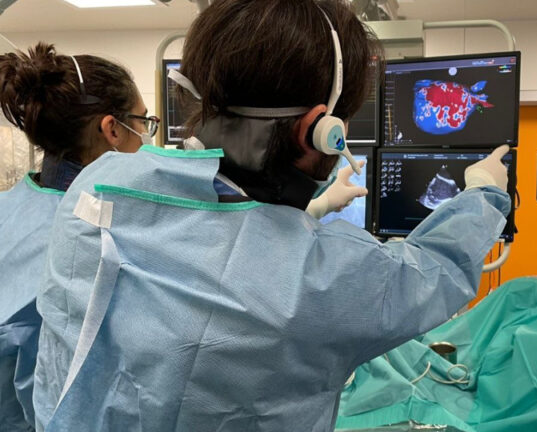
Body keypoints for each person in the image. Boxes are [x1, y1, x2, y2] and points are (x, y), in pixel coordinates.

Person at [34, 1, 512, 431]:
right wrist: (484, 193)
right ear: (320, 130)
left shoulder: (97, 189)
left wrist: (311, 209)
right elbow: (436, 270)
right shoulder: (326, 277)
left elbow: (201, 251)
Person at [0, 43, 155, 431]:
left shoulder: (10, 206)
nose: (146, 136)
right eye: (143, 122)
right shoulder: (96, 241)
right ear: (112, 129)